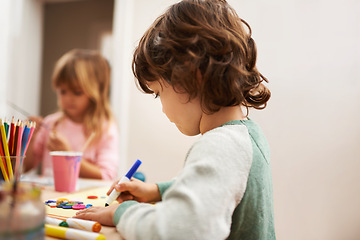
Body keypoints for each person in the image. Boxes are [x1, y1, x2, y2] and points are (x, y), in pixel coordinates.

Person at [75, 0, 276, 239]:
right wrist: (156, 191)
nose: (161, 108)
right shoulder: (247, 134)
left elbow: (177, 231)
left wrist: (123, 212)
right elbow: (220, 187)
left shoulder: (221, 146)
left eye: (159, 93)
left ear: (192, 77)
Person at [24, 49, 119, 181]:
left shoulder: (105, 129)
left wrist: (68, 155)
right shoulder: (51, 123)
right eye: (63, 91)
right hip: (50, 198)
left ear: (95, 93)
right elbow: (25, 167)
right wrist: (30, 138)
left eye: (77, 92)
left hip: (84, 200)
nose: (68, 99)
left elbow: (106, 176)